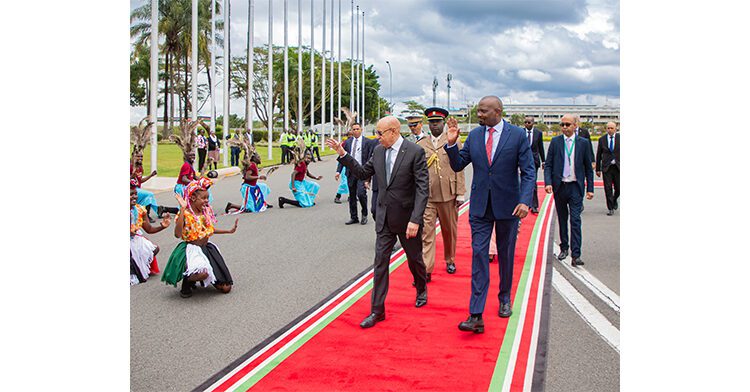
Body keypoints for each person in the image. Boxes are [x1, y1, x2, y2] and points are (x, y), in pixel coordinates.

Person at [326, 116, 430, 329]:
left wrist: (415, 219)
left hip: (407, 219)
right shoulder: (379, 151)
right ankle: (377, 310)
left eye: (381, 133)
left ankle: (421, 287)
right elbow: (364, 172)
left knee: (415, 259)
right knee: (380, 263)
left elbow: (422, 189)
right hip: (384, 218)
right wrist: (343, 155)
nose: (377, 137)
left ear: (393, 131)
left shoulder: (414, 152)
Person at [444, 95, 535, 333]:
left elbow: (528, 172)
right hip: (480, 207)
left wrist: (525, 201)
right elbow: (457, 165)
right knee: (479, 254)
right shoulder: (474, 136)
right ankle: (476, 313)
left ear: (498, 111)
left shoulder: (516, 135)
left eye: (484, 111)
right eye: (479, 111)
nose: (479, 114)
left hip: (509, 206)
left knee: (505, 255)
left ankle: (504, 297)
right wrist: (452, 145)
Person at [162, 178, 239, 298]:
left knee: (226, 287)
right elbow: (177, 234)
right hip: (193, 250)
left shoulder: (205, 212)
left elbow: (209, 230)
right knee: (203, 274)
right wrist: (182, 209)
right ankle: (188, 280)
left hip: (207, 249)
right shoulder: (186, 214)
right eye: (203, 198)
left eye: (207, 198)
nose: (206, 201)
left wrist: (228, 231)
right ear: (193, 198)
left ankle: (203, 277)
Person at [416, 107, 466, 283]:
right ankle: (426, 269)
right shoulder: (422, 143)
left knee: (449, 231)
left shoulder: (453, 140)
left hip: (448, 195)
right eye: (431, 123)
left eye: (437, 122)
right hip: (428, 196)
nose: (434, 126)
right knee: (426, 234)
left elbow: (459, 169)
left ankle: (450, 259)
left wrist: (460, 193)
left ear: (443, 123)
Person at [544, 113, 595, 267]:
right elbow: (549, 164)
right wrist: (548, 182)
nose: (564, 127)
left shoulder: (583, 143)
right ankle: (564, 247)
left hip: (575, 186)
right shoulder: (555, 142)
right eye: (562, 125)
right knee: (562, 219)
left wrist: (590, 188)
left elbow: (588, 168)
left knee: (575, 220)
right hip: (560, 186)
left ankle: (576, 254)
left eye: (567, 124)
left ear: (575, 126)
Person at [130, 179, 171, 285]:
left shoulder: (140, 210)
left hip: (135, 239)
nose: (134, 197)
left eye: (135, 194)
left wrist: (162, 226)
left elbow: (149, 229)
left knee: (154, 248)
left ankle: (138, 266)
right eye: (131, 194)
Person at [335, 123, 375, 225]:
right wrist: (338, 171)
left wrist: (368, 178)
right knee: (352, 196)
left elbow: (370, 159)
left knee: (361, 194)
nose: (356, 131)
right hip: (351, 172)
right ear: (351, 131)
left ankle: (364, 214)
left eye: (357, 129)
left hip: (362, 172)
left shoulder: (368, 142)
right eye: (354, 129)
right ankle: (354, 217)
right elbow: (343, 157)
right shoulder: (348, 143)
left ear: (361, 129)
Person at [130, 151, 178, 222]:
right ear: (133, 157)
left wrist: (151, 175)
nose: (140, 158)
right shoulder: (130, 167)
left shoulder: (140, 167)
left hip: (137, 189)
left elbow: (140, 181)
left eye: (141, 157)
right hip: (132, 189)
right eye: (138, 156)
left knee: (148, 198)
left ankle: (147, 215)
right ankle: (157, 210)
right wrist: (132, 176)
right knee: (150, 194)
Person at [225, 143, 273, 213]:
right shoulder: (252, 166)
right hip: (248, 187)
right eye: (258, 157)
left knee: (264, 187)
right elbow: (247, 177)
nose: (260, 158)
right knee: (249, 208)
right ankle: (231, 205)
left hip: (253, 186)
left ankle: (262, 203)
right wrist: (259, 177)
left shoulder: (254, 165)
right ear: (254, 158)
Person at [596, 122, 620, 216]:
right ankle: (610, 208)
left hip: (618, 167)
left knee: (619, 188)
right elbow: (599, 155)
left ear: (615, 129)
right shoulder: (602, 140)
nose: (609, 130)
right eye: (608, 128)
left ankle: (614, 199)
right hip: (607, 168)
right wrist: (598, 169)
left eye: (611, 128)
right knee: (608, 188)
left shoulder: (620, 138)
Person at [523, 116, 546, 214]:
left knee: (533, 183)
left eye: (529, 122)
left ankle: (534, 205)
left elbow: (541, 148)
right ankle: (524, 203)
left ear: (533, 123)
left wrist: (544, 161)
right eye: (525, 122)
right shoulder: (520, 132)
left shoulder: (538, 133)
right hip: (522, 161)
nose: (527, 124)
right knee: (522, 183)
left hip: (534, 161)